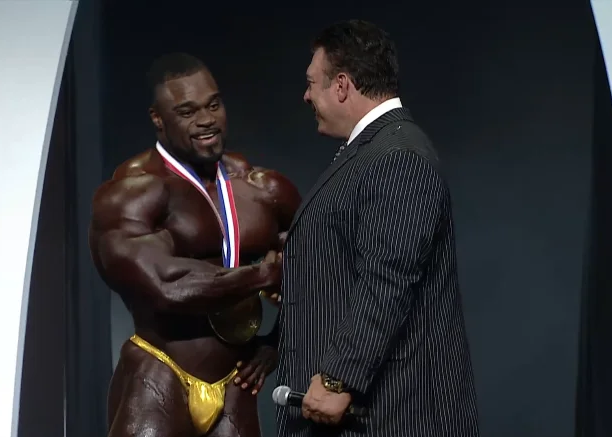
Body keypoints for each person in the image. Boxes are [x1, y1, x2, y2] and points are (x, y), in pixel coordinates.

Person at [273, 20, 480, 437]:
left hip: (393, 416)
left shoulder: (398, 156)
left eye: (312, 83)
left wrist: (338, 378)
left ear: (342, 85)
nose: (306, 95)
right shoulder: (373, 151)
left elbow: (387, 280)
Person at [89, 52, 301, 437]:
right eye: (187, 112)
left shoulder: (262, 188)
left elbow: (324, 270)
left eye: (213, 105)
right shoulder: (134, 190)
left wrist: (278, 343)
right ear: (158, 118)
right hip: (160, 371)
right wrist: (265, 274)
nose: (206, 120)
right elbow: (165, 285)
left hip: (235, 381)